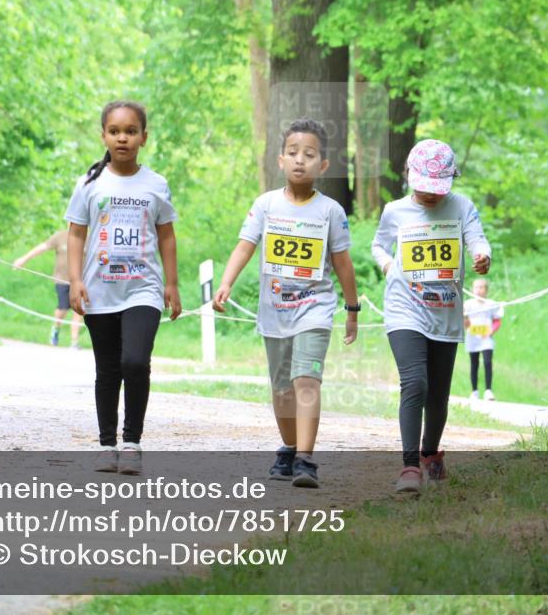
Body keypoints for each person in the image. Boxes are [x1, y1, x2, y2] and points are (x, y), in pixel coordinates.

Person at [213, 118, 359, 489]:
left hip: (315, 308)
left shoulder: (330, 211)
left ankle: (307, 461)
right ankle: (290, 448)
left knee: (305, 380)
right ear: (280, 160)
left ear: (322, 166)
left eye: (309, 155)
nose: (300, 160)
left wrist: (352, 310)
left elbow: (342, 263)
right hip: (274, 311)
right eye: (293, 153)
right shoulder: (266, 205)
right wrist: (226, 282)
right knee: (281, 388)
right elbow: (245, 245)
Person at [65, 100, 181, 475]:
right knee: (108, 369)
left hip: (143, 289)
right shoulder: (89, 183)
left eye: (131, 131)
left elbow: (166, 236)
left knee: (135, 361)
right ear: (103, 136)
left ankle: (132, 441)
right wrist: (75, 280)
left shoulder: (156, 184)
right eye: (115, 131)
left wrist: (172, 283)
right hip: (100, 290)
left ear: (144, 138)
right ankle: (106, 444)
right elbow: (76, 234)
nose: (123, 138)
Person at [371, 139, 491, 494]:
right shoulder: (395, 211)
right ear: (410, 176)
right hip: (404, 307)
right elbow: (379, 244)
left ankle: (430, 454)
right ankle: (409, 466)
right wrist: (388, 263)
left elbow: (477, 239)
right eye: (423, 189)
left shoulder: (461, 206)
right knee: (416, 383)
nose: (430, 196)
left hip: (445, 312)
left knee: (438, 394)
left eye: (437, 190)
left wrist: (482, 255)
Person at [13, 230, 84, 348]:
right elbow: (42, 247)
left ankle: (74, 341)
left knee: (78, 308)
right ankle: (56, 328)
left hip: (80, 281)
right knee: (63, 307)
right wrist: (23, 260)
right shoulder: (60, 236)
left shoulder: (87, 237)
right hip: (62, 279)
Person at [464, 278, 503, 401]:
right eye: (476, 287)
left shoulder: (491, 304)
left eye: (481, 287)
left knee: (487, 362)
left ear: (486, 290)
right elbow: (465, 322)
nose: (479, 290)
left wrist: (492, 330)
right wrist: (465, 320)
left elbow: (497, 320)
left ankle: (488, 391)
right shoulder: (468, 305)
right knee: (474, 363)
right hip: (473, 337)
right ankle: (474, 391)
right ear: (472, 289)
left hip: (486, 338)